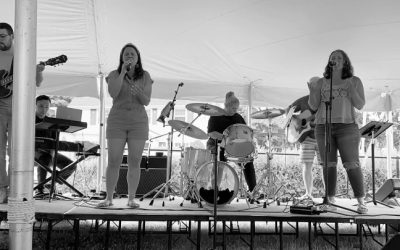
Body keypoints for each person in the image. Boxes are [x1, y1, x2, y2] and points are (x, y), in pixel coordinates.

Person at [308, 49, 367, 213]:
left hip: (347, 126)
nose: (335, 59)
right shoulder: (321, 82)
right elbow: (313, 106)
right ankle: (330, 200)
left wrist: (350, 88)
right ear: (329, 62)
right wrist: (313, 91)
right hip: (323, 126)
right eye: (332, 57)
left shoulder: (354, 81)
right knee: (328, 164)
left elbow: (360, 104)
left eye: (339, 57)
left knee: (352, 163)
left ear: (345, 61)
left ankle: (361, 201)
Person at [98, 43, 153, 208]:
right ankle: (109, 198)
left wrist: (139, 92)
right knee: (114, 160)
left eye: (132, 54)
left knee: (134, 161)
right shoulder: (114, 74)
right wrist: (122, 72)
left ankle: (131, 199)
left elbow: (147, 101)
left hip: (138, 122)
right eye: (126, 54)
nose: (129, 56)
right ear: (122, 57)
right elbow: (113, 93)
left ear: (138, 58)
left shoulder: (145, 76)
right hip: (117, 121)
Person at [0, 22, 45, 203]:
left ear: (12, 36)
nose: (0, 40)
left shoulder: (23, 54)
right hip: (1, 108)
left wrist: (38, 71)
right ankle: (1, 187)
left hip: (19, 108)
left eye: (2, 37)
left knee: (15, 150)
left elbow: (37, 82)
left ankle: (14, 189)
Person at [206, 91, 257, 197]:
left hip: (233, 147)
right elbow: (211, 133)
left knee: (248, 160)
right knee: (219, 160)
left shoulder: (238, 117)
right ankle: (215, 191)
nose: (236, 111)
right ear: (226, 106)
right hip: (216, 144)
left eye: (237, 108)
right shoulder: (215, 115)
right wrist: (225, 138)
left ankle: (253, 191)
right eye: (234, 108)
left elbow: (244, 133)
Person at [286, 78, 322, 201]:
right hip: (306, 137)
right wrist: (297, 121)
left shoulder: (326, 101)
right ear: (309, 86)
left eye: (319, 85)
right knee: (307, 165)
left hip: (323, 137)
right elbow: (289, 110)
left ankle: (328, 195)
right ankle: (308, 193)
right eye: (313, 85)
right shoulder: (303, 100)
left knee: (325, 166)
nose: (316, 87)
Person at [34, 95, 76, 195]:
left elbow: (54, 141)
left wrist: (53, 153)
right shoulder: (28, 120)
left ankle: (50, 183)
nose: (43, 109)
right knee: (45, 158)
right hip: (32, 152)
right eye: (40, 106)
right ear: (35, 105)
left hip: (49, 152)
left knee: (71, 166)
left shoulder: (52, 122)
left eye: (46, 107)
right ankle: (40, 189)